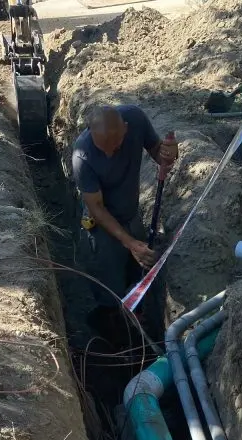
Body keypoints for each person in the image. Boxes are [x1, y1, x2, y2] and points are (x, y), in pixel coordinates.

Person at [72, 104, 178, 339]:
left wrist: (169, 154)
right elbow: (96, 208)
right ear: (90, 132)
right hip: (101, 226)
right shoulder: (82, 155)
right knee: (109, 285)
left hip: (130, 216)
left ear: (126, 129)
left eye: (116, 147)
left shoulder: (135, 119)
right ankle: (113, 330)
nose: (110, 154)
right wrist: (130, 243)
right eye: (104, 150)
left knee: (138, 274)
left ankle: (138, 321)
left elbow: (159, 153)